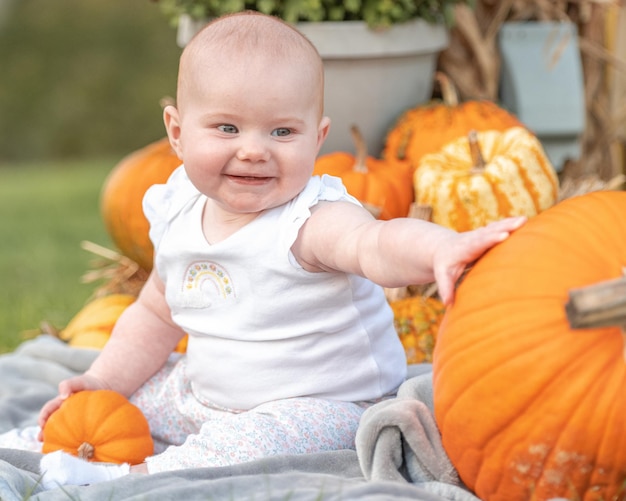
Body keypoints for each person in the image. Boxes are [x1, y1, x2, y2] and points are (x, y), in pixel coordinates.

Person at [37, 10, 525, 487]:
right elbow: (155, 316)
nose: (254, 149)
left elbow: (375, 243)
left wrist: (442, 249)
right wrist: (103, 383)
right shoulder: (178, 211)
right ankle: (48, 442)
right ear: (178, 134)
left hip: (323, 406)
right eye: (227, 128)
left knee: (256, 441)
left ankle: (131, 478)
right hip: (204, 396)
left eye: (282, 131)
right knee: (129, 395)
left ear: (317, 138)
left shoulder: (310, 220)